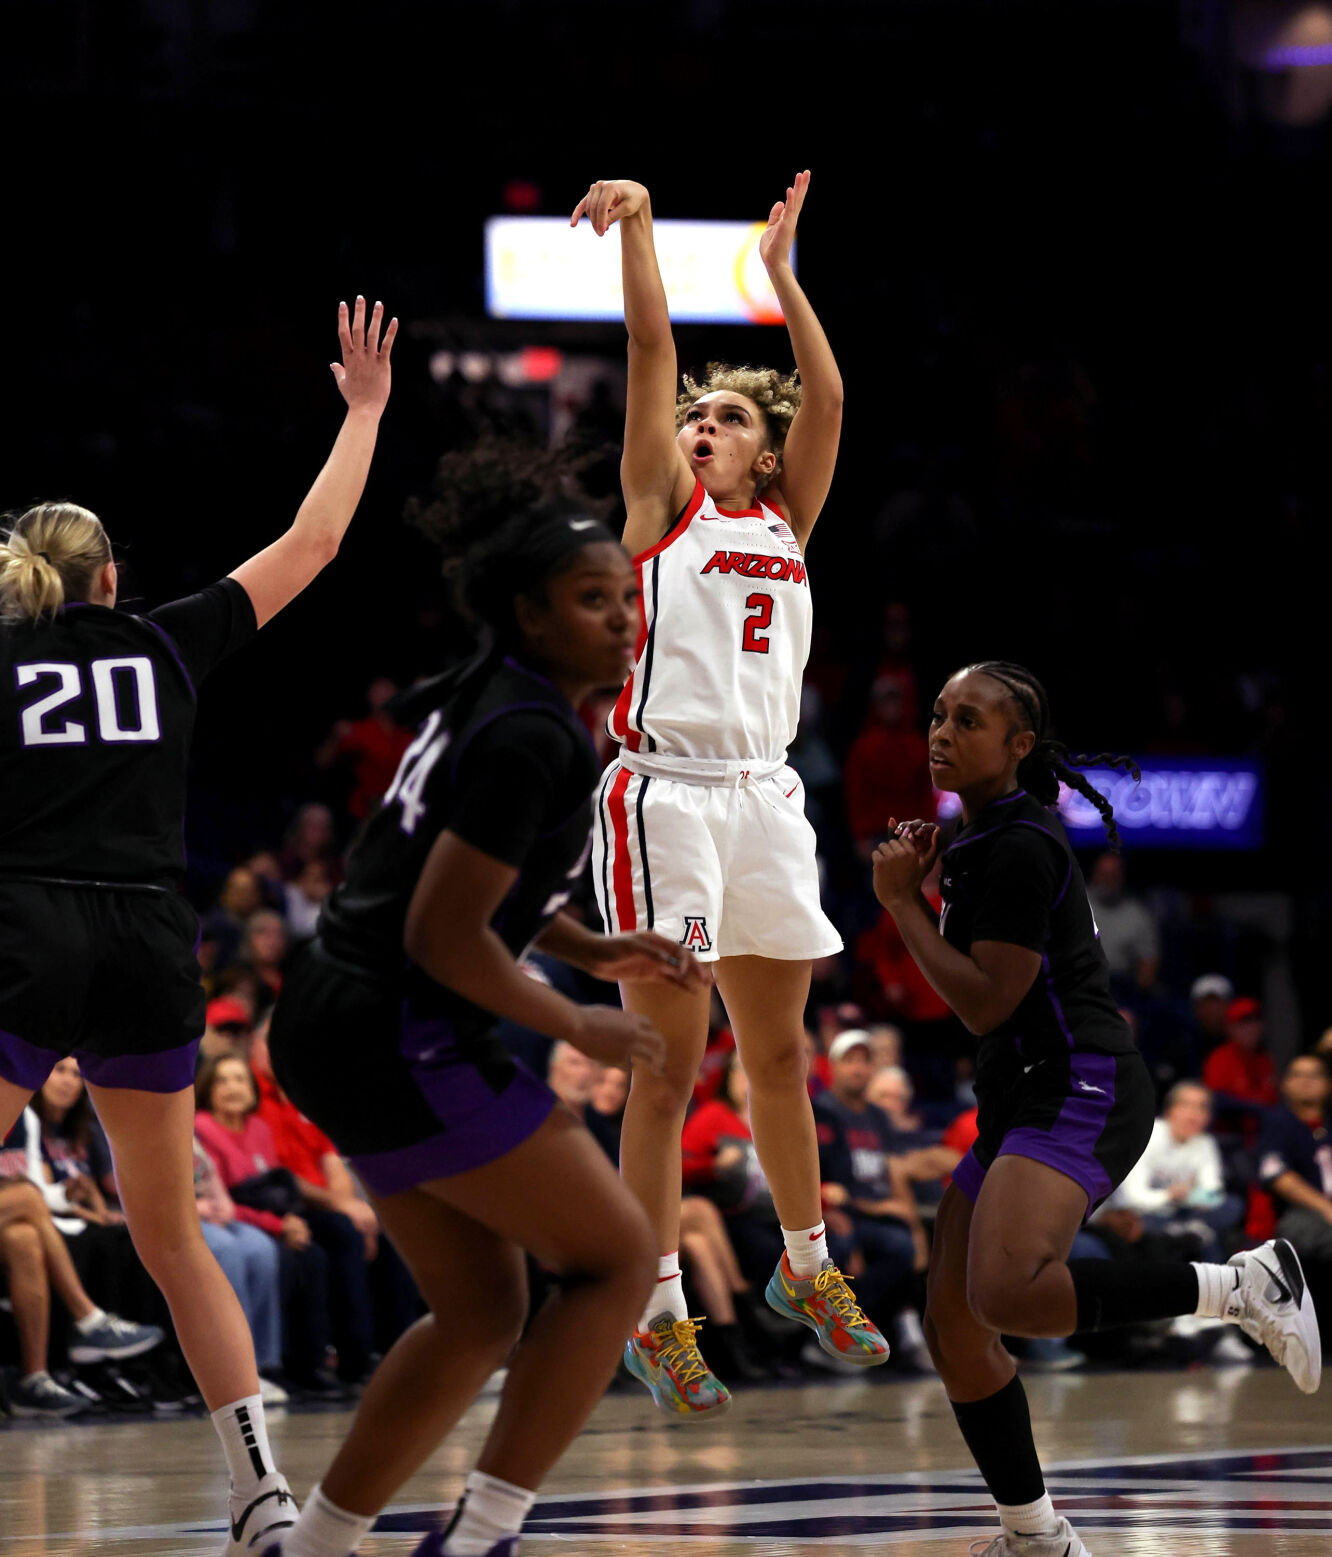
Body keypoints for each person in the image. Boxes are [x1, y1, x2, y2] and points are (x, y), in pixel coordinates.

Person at [0, 294, 397, 1551]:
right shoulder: (168, 643)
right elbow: (316, 539)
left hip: (24, 926)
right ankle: (263, 1496)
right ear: (115, 579)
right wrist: (367, 411)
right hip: (149, 946)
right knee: (174, 1234)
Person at [266, 443, 705, 1557]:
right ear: (530, 615)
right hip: (393, 1023)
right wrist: (577, 1020)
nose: (621, 618)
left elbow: (460, 883)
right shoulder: (528, 733)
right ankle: (484, 1537)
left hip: (339, 1019)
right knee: (614, 1259)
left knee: (481, 1313)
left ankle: (315, 1546)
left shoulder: (501, 700)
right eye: (590, 600)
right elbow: (443, 932)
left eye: (624, 596)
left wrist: (593, 947)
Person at [869, 660, 1321, 1557]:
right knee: (958, 1330)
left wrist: (901, 906)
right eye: (938, 714)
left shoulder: (1023, 845)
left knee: (1008, 1294)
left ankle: (1242, 1284)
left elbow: (988, 1001)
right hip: (1019, 1093)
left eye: (969, 719)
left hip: (1079, 1082)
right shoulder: (977, 839)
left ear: (1020, 744)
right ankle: (1035, 1535)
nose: (943, 730)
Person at [571, 172, 888, 1418]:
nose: (701, 425)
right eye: (693, 416)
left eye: (725, 416)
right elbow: (650, 342)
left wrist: (783, 277)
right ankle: (651, 1311)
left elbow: (837, 395)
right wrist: (645, 227)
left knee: (779, 1055)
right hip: (668, 799)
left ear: (766, 442)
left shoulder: (791, 520)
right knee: (668, 1067)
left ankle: (807, 1272)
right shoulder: (662, 512)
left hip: (766, 800)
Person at [1105, 1081, 1242, 1262]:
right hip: (1144, 1215)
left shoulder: (1205, 1143)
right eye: (1186, 1105)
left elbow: (1213, 1193)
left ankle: (1188, 1230)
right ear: (1170, 1110)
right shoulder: (1149, 1134)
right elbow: (1132, 1197)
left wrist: (1185, 1195)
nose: (1194, 1115)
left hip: (1184, 1211)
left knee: (1232, 1205)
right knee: (1199, 1236)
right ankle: (1188, 1230)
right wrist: (1170, 1194)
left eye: (1202, 1108)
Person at [1257, 1053, 1332, 1266]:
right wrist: (1327, 1209)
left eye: (1314, 1075)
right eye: (1297, 1075)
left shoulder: (1328, 1123)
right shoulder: (1278, 1122)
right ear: (1285, 1084)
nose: (1306, 1081)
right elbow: (1276, 1174)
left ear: (1328, 1084)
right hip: (1298, 1214)